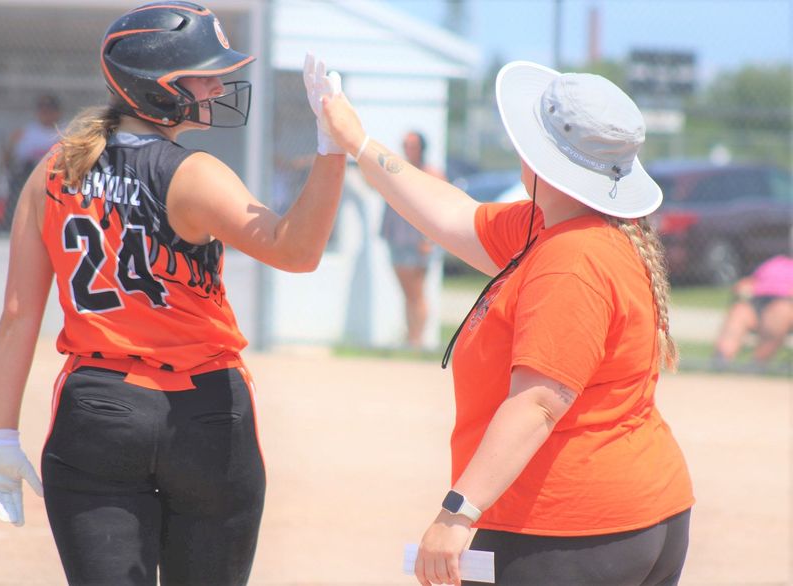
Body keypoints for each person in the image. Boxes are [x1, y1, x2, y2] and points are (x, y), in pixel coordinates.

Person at [0, 2, 345, 585]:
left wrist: (1, 432)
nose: (219, 83)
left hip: (98, 412)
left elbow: (17, 314)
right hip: (205, 413)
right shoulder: (193, 172)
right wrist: (332, 153)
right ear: (155, 88)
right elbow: (295, 250)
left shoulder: (52, 170)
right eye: (202, 74)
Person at [323, 61, 694, 585]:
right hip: (628, 516)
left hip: (567, 532)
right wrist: (358, 142)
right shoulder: (561, 227)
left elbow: (539, 403)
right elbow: (452, 215)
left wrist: (457, 514)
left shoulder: (572, 257)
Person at [380, 131, 445, 349]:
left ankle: (416, 340)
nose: (407, 148)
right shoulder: (398, 169)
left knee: (416, 293)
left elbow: (440, 207)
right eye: (405, 144)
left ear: (421, 148)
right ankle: (412, 338)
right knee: (409, 293)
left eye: (412, 144)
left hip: (420, 240)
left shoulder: (431, 173)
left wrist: (429, 239)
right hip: (399, 238)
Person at [713, 254, 793, 370]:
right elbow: (751, 281)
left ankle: (755, 366)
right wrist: (743, 286)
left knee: (781, 311)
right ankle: (720, 363)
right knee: (739, 311)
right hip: (757, 302)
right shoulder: (775, 263)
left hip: (784, 305)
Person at [0, 93, 62, 229]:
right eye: (42, 108)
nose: (46, 112)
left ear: (57, 111)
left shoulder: (63, 132)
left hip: (54, 176)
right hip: (27, 176)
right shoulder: (26, 132)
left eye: (50, 109)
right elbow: (9, 159)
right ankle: (11, 223)